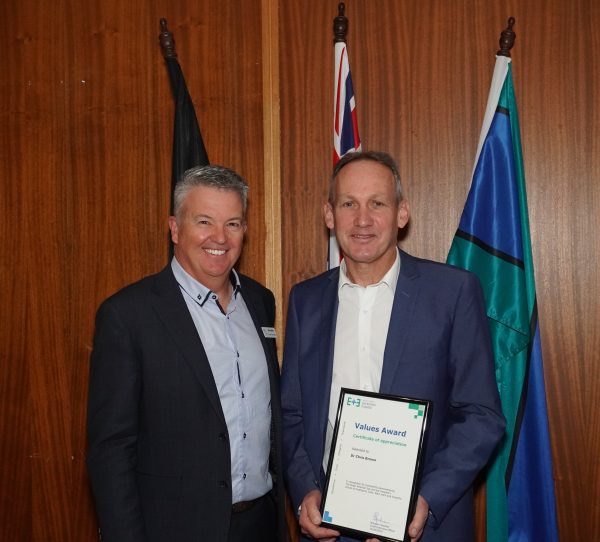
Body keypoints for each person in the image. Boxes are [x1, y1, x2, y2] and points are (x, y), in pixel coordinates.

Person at [281, 151, 505, 542]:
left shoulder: (452, 293)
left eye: (377, 203)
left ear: (402, 213)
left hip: (423, 527)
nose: (362, 219)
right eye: (348, 203)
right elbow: (291, 415)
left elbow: (481, 415)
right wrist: (304, 493)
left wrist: (427, 500)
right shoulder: (305, 299)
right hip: (331, 528)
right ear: (329, 215)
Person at [87, 165, 287, 542]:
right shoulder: (129, 315)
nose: (219, 237)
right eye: (204, 222)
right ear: (175, 228)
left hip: (260, 524)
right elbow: (110, 451)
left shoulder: (261, 302)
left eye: (233, 223)